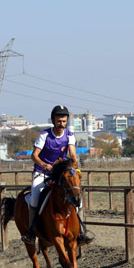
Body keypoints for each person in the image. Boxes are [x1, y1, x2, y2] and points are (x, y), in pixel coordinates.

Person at [21, 105, 94, 244]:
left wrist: (73, 163)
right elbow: (34, 155)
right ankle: (31, 232)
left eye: (64, 121)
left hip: (58, 173)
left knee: (78, 200)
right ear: (54, 121)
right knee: (35, 197)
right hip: (41, 172)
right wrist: (43, 165)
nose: (62, 124)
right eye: (59, 121)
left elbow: (72, 153)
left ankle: (81, 232)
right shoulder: (44, 135)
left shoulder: (69, 135)